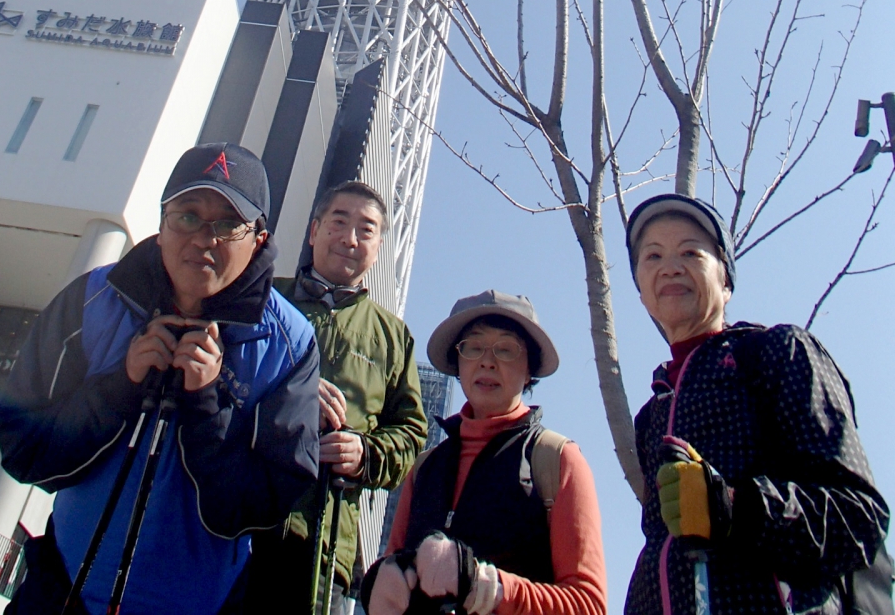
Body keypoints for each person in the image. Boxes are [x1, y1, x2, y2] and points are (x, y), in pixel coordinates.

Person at [0, 141, 319, 615]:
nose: (204, 239)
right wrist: (120, 387)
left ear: (259, 240)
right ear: (162, 223)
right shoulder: (93, 299)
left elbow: (268, 503)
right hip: (60, 591)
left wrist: (207, 406)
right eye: (188, 216)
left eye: (228, 224)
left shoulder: (289, 343)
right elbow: (23, 447)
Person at [623, 192, 892, 615]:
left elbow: (860, 518)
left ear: (726, 281)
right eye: (652, 256)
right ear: (641, 291)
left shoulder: (779, 353)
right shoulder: (651, 415)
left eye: (691, 252)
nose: (670, 266)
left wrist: (733, 507)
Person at [364, 290, 607, 615]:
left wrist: (485, 587)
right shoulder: (424, 468)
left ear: (529, 369)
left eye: (506, 349)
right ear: (458, 362)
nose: (487, 361)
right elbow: (392, 574)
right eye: (473, 347)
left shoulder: (557, 460)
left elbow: (587, 604)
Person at [251, 180, 427, 613]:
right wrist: (288, 397)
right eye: (339, 222)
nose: (350, 239)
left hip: (325, 547)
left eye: (366, 230)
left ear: (378, 248)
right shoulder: (263, 300)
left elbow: (411, 434)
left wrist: (365, 453)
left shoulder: (393, 338)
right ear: (314, 231)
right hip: (240, 521)